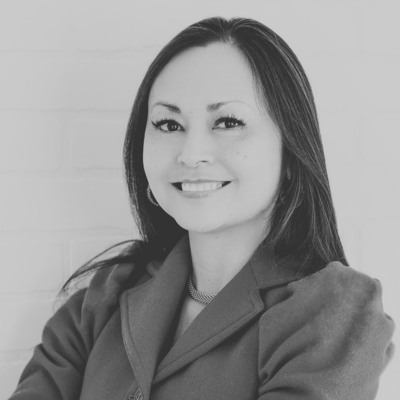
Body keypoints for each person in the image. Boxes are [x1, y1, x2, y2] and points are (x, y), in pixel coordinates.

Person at [9, 17, 395, 400]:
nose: (191, 154)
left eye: (227, 122)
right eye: (168, 124)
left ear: (291, 155)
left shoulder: (333, 314)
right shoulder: (103, 298)